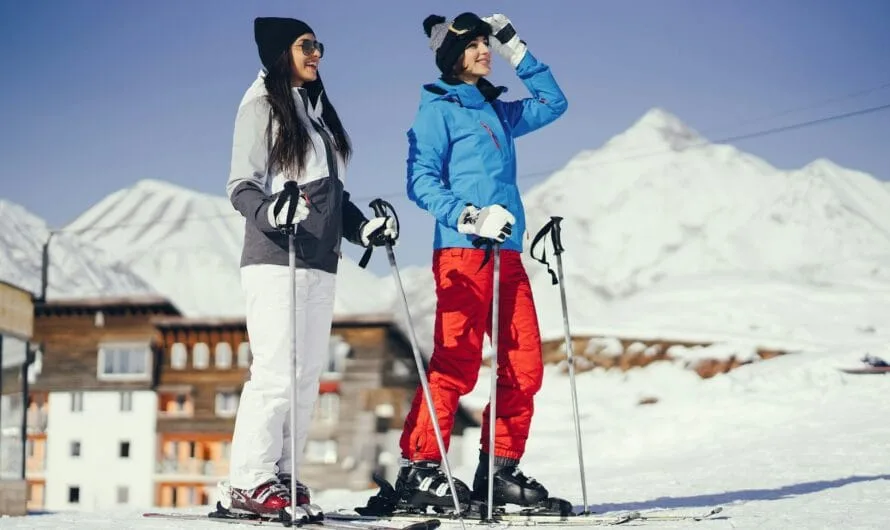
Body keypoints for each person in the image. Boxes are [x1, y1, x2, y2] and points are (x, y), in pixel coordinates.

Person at [219, 16, 396, 518]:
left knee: (305, 377)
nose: (316, 53)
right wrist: (271, 210)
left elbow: (329, 197)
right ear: (281, 52)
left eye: (318, 45)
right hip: (277, 257)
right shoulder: (261, 106)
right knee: (276, 373)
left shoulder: (313, 113)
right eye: (306, 45)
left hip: (319, 262)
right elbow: (241, 183)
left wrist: (362, 229)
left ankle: (282, 474)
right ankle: (249, 479)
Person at [394, 12, 568, 512]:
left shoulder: (498, 113)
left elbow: (554, 103)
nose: (484, 50)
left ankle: (499, 471)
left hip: (507, 255)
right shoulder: (437, 110)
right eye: (474, 45)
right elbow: (420, 180)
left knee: (525, 366)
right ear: (453, 56)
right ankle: (421, 469)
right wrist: (468, 215)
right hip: (461, 252)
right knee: (457, 362)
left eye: (488, 42)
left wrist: (520, 49)